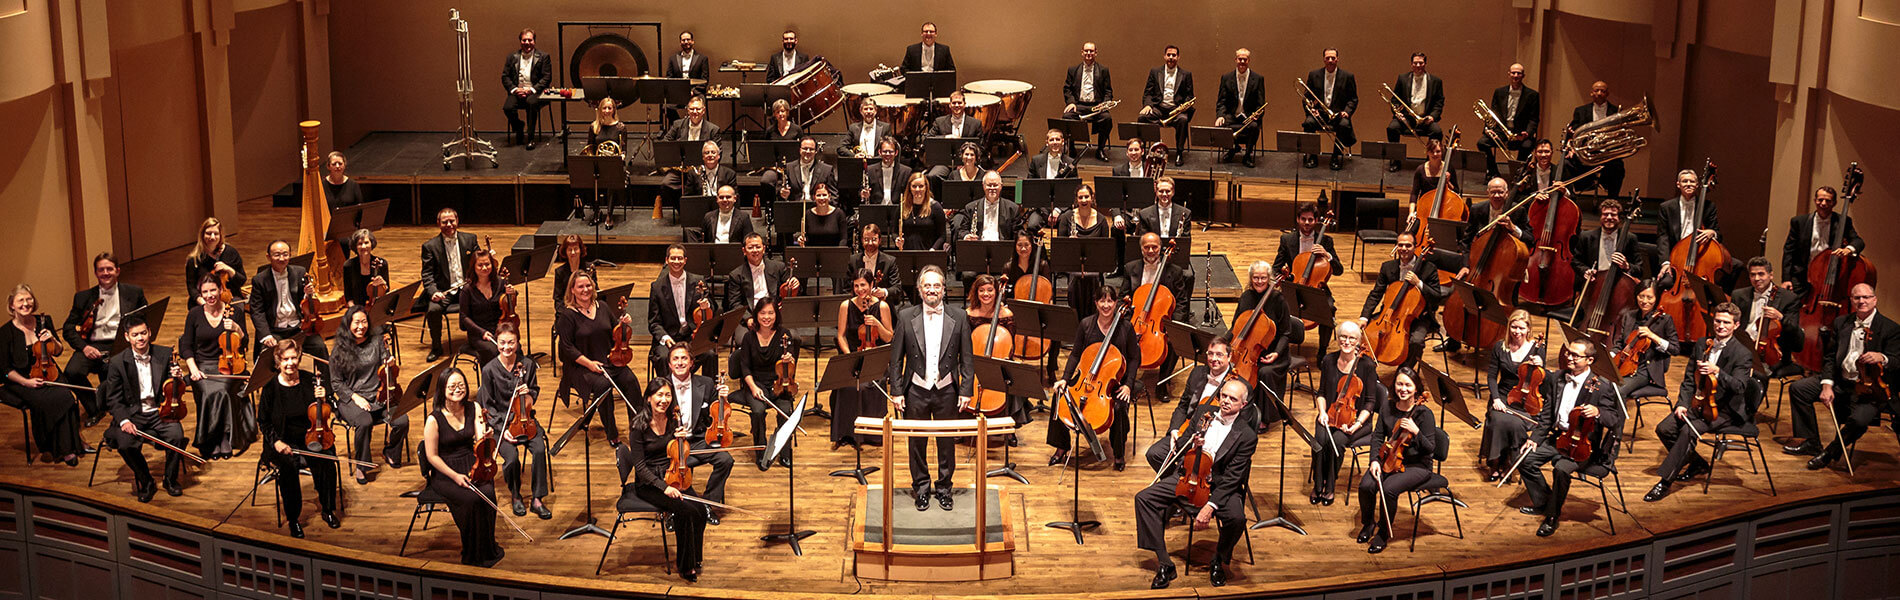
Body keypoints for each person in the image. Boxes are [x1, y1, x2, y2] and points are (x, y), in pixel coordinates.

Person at [1135, 379, 1255, 589]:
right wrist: (1192, 443)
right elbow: (1180, 445)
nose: (1225, 401)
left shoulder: (1247, 435)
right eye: (1223, 396)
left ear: (1243, 404)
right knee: (1144, 499)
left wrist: (1210, 506)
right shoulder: (1203, 413)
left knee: (1237, 519)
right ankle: (1165, 563)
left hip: (1220, 485)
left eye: (1232, 399)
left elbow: (1233, 477)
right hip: (1190, 475)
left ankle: (1218, 560)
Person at [885, 266, 975, 510]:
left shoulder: (960, 316)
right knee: (917, 443)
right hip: (916, 390)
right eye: (927, 285)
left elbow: (967, 358)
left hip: (947, 390)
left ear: (944, 289)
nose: (932, 290)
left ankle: (945, 489)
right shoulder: (905, 316)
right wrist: (897, 391)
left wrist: (966, 390)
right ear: (919, 289)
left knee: (946, 443)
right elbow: (896, 359)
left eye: (936, 285)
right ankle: (921, 488)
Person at [1646, 303, 1752, 502]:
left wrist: (1718, 371)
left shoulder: (1742, 353)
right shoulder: (1703, 343)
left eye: (1726, 322)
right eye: (1718, 321)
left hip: (1723, 409)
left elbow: (1739, 387)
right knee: (1665, 429)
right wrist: (1682, 403)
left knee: (1688, 431)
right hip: (1698, 402)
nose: (1721, 326)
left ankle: (1664, 483)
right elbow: (1689, 378)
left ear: (1736, 325)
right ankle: (1697, 464)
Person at [1515, 339, 1621, 537]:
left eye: (1575, 355)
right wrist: (1535, 438)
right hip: (1558, 438)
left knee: (1561, 469)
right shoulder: (1558, 377)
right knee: (1524, 459)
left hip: (1583, 446)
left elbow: (1614, 419)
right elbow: (1547, 414)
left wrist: (1598, 411)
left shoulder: (1602, 386)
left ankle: (1552, 516)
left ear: (1589, 360)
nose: (1569, 358)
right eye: (1568, 353)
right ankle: (1545, 503)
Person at [1787, 284, 1897, 467]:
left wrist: (1882, 357)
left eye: (1866, 297)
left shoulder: (1890, 328)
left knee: (1859, 421)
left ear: (1874, 300)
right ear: (1851, 300)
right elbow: (1830, 357)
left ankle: (1830, 452)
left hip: (1870, 390)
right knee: (1799, 389)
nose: (1861, 301)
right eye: (1857, 298)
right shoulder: (1841, 322)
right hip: (1841, 380)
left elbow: (1897, 361)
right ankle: (1811, 442)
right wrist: (1827, 385)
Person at [613, 383, 707, 580]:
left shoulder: (672, 420)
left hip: (672, 475)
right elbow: (640, 468)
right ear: (649, 398)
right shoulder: (638, 426)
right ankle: (685, 566)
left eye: (668, 395)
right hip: (649, 483)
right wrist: (664, 488)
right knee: (685, 511)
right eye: (659, 395)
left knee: (700, 510)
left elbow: (676, 452)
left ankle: (695, 557)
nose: (664, 400)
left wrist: (682, 439)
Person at [1049, 284, 1140, 470]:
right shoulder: (1086, 324)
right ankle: (1061, 447)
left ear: (1116, 303)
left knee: (1119, 407)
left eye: (1110, 301)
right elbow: (1075, 354)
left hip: (1115, 380)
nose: (1106, 305)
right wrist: (1065, 378)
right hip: (1087, 377)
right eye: (1102, 301)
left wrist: (1128, 385)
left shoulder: (1125, 327)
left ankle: (1118, 453)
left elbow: (1134, 358)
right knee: (1060, 395)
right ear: (1096, 303)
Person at [422, 367, 504, 567]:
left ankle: (487, 548)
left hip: (472, 462)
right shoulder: (433, 420)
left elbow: (480, 439)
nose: (457, 389)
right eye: (452, 386)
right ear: (442, 389)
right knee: (471, 499)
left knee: (488, 493)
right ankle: (473, 551)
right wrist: (455, 476)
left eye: (461, 385)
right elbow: (432, 456)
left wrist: (487, 438)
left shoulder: (474, 407)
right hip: (445, 471)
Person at [257, 340, 339, 537]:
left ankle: (328, 509)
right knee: (288, 467)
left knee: (327, 459)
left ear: (299, 358)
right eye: (285, 359)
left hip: (310, 435)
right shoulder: (270, 388)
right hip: (282, 440)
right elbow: (263, 421)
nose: (290, 363)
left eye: (294, 358)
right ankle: (293, 518)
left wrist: (324, 398)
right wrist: (276, 442)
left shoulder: (311, 380)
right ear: (278, 361)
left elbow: (326, 410)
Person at [100, 316, 188, 501]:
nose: (140, 338)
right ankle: (146, 480)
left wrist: (178, 377)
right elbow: (113, 399)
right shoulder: (117, 362)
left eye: (143, 333)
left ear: (149, 332)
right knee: (125, 445)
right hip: (133, 414)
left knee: (177, 437)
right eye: (135, 335)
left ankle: (170, 479)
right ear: (127, 337)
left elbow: (174, 387)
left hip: (160, 412)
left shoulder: (164, 354)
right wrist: (124, 420)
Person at [555, 270, 642, 446]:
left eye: (588, 285)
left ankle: (638, 430)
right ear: (572, 290)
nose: (585, 289)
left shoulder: (602, 306)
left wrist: (623, 325)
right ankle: (612, 433)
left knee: (631, 381)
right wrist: (589, 364)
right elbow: (567, 348)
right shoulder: (567, 315)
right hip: (581, 367)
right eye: (580, 286)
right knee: (603, 386)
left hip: (610, 360)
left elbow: (615, 332)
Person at [1358, 367, 1440, 553]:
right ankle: (1368, 524)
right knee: (1366, 485)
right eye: (1399, 384)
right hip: (1390, 458)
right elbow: (1378, 437)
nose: (1403, 389)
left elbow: (1430, 448)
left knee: (1389, 489)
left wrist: (1416, 431)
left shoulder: (1424, 414)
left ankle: (1383, 533)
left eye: (1408, 385)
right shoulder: (1387, 407)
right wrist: (1374, 461)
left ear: (1416, 388)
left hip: (1417, 465)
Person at [61, 252, 149, 425]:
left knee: (114, 371)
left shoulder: (134, 292)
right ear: (95, 273)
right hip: (91, 344)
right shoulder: (83, 297)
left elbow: (145, 319)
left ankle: (121, 407)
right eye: (101, 270)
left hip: (120, 344)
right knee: (72, 372)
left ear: (118, 271)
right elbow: (68, 328)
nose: (105, 273)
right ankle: (94, 408)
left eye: (109, 269)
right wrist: (84, 347)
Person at [650, 343, 735, 523]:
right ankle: (672, 509)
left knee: (725, 460)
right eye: (675, 359)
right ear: (669, 364)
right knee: (665, 469)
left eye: (684, 358)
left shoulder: (706, 383)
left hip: (697, 440)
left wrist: (723, 398)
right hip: (671, 445)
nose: (680, 363)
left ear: (691, 363)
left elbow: (717, 415)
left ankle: (707, 504)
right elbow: (650, 417)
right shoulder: (660, 387)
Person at [2, 285, 83, 465]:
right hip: (20, 380)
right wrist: (26, 382)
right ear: (12, 305)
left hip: (48, 370)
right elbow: (5, 370)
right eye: (20, 300)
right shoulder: (5, 333)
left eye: (29, 299)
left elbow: (59, 351)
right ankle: (58, 448)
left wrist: (52, 339)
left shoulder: (44, 321)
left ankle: (70, 445)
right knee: (57, 399)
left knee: (66, 395)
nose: (26, 303)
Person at [478, 323, 550, 519]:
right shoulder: (489, 370)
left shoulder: (527, 365)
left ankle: (537, 499)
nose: (506, 347)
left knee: (539, 450)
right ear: (497, 342)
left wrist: (529, 393)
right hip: (500, 424)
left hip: (525, 419)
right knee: (511, 459)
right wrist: (504, 429)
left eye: (511, 342)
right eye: (502, 342)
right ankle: (516, 495)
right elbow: (488, 407)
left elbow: (534, 391)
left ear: (517, 343)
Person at [328, 307, 408, 483]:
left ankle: (391, 452)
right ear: (348, 324)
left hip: (379, 395)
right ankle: (362, 464)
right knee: (364, 422)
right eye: (356, 322)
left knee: (402, 420)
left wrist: (390, 364)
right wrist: (355, 397)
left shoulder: (377, 341)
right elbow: (336, 383)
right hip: (352, 398)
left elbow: (387, 367)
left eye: (364, 322)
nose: (361, 326)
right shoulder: (339, 351)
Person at [179, 276, 253, 460]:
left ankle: (225, 437)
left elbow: (244, 342)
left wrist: (237, 328)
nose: (210, 295)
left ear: (221, 290)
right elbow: (186, 345)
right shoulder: (194, 314)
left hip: (230, 364)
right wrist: (193, 369)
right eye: (205, 292)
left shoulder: (234, 311)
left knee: (224, 390)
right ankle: (211, 439)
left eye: (213, 290)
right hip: (202, 365)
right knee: (207, 392)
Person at [1309, 321, 1381, 504]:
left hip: (1356, 419)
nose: (1347, 341)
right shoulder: (1329, 360)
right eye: (1343, 337)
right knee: (1319, 441)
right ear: (1338, 337)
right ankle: (1318, 485)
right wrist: (1322, 412)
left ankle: (1330, 487)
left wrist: (1357, 424)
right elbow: (1321, 393)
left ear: (1358, 341)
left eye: (1352, 338)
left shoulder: (1367, 366)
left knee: (1337, 442)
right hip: (1330, 415)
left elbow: (1370, 402)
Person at [1358, 232, 1448, 369]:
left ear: (1415, 247)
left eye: (1408, 245)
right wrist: (1364, 317)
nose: (1404, 249)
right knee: (1368, 334)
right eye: (1400, 245)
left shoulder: (1429, 269)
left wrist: (1419, 283)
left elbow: (1436, 297)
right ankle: (1370, 371)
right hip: (1389, 315)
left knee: (1416, 341)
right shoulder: (1388, 267)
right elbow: (1376, 294)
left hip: (1419, 317)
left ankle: (1404, 373)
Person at [730, 297, 800, 469]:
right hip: (755, 383)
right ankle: (761, 452)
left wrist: (789, 359)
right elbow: (745, 367)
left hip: (779, 383)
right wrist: (753, 387)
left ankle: (784, 452)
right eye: (762, 313)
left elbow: (791, 364)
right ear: (756, 315)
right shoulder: (748, 337)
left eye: (770, 313)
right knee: (758, 411)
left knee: (785, 411)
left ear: (776, 315)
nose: (766, 317)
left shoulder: (784, 335)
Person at [249, 240, 331, 379]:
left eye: (285, 254)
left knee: (320, 347)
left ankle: (325, 386)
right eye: (277, 255)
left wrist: (308, 295)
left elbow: (305, 303)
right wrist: (266, 335)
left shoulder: (299, 272)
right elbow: (257, 311)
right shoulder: (260, 280)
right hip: (275, 331)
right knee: (267, 356)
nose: (282, 258)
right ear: (268, 257)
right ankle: (275, 388)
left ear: (290, 255)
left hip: (298, 328)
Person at [833, 270, 894, 446]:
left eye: (863, 285)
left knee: (869, 386)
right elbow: (841, 336)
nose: (860, 289)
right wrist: (849, 356)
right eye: (856, 286)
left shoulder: (882, 307)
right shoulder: (846, 306)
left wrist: (877, 324)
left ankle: (871, 434)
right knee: (846, 385)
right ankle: (847, 434)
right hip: (854, 356)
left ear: (871, 285)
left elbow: (889, 337)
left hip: (875, 358)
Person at [1231, 260, 1298, 422]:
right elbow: (1235, 327)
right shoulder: (1246, 297)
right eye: (1256, 278)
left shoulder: (1278, 299)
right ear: (1251, 278)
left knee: (1264, 373)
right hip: (1247, 351)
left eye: (1263, 278)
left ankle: (1264, 417)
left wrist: (1277, 353)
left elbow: (1286, 333)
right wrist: (1222, 344)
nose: (1259, 281)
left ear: (1269, 278)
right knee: (1228, 367)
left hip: (1273, 352)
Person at [1481, 310, 1542, 481]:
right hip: (1502, 395)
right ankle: (1495, 462)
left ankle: (1509, 461)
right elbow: (1492, 376)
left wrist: (1541, 365)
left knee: (1515, 423)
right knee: (1498, 419)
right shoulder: (1500, 347)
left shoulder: (1537, 349)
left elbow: (1542, 380)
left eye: (1521, 328)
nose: (1517, 331)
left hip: (1526, 401)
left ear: (1528, 329)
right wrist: (1496, 399)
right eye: (1514, 327)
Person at [1273, 203, 1343, 345]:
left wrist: (1327, 255)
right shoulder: (1287, 240)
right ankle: (1280, 347)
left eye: (1310, 219)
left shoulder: (1326, 241)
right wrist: (1280, 278)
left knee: (1329, 309)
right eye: (1303, 219)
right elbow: (1276, 268)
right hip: (1293, 287)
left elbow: (1339, 270)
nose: (1306, 223)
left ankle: (1322, 352)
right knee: (1275, 306)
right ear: (1298, 219)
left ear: (1316, 220)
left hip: (1316, 289)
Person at [1781, 185, 1864, 299]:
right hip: (1801, 277)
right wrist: (1786, 279)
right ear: (1815, 201)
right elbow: (1789, 252)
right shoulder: (1799, 222)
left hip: (1828, 279)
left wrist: (1848, 249)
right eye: (1820, 200)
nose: (1823, 204)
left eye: (1828, 201)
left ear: (1834, 203)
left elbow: (1858, 241)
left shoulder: (1843, 221)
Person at [647, 244, 717, 377]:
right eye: (673, 258)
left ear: (685, 260)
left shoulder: (699, 281)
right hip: (669, 336)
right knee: (663, 357)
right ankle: (668, 389)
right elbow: (654, 322)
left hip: (692, 336)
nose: (676, 262)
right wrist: (665, 338)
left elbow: (714, 308)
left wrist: (707, 306)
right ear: (667, 260)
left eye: (680, 258)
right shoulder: (657, 287)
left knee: (710, 354)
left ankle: (709, 388)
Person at [964, 275, 1023, 428]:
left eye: (990, 290)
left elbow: (1010, 345)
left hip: (999, 361)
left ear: (997, 292)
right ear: (976, 292)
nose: (986, 294)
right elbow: (965, 345)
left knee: (1012, 378)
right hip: (975, 361)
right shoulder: (969, 314)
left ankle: (1007, 427)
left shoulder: (1006, 315)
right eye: (981, 290)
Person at [422, 208, 478, 362]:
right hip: (444, 291)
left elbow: (478, 262)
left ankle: (476, 342)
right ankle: (436, 347)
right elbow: (427, 275)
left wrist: (488, 257)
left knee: (483, 301)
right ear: (438, 223)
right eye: (444, 222)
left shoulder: (470, 239)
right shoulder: (430, 246)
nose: (449, 224)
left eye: (451, 221)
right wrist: (433, 292)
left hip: (466, 288)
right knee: (433, 310)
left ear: (457, 221)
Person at [1731, 257, 1802, 377]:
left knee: (1752, 373)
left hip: (1772, 354)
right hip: (1743, 345)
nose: (1756, 278)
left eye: (1761, 274)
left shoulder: (1788, 298)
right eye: (1752, 275)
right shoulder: (1738, 295)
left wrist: (1780, 317)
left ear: (1771, 275)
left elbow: (1794, 330)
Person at [1611, 284, 1679, 400]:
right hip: (1623, 364)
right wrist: (1611, 356)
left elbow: (1675, 349)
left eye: (1649, 297)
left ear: (1656, 298)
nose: (1644, 301)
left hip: (1645, 371)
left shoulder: (1665, 320)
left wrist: (1653, 336)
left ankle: (1615, 413)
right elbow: (1620, 343)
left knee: (1617, 390)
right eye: (1641, 296)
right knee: (1600, 383)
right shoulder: (1629, 315)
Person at [1384, 52, 1446, 172]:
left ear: (1425, 63)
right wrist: (1397, 112)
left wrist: (1433, 116)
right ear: (1411, 64)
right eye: (1415, 63)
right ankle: (1395, 160)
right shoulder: (1403, 79)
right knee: (1392, 128)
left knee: (1437, 131)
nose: (1418, 65)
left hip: (1425, 119)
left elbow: (1439, 102)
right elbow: (1395, 99)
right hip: (1407, 118)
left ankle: (1429, 162)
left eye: (1421, 63)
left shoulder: (1435, 81)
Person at [1055, 184, 1112, 314]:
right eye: (1080, 197)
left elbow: (1105, 249)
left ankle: (1092, 316)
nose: (1084, 200)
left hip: (1094, 265)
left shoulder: (1101, 220)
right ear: (1076, 199)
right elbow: (1060, 247)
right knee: (1075, 280)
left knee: (1092, 278)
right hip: (1073, 264)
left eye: (1087, 196)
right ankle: (1075, 316)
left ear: (1092, 198)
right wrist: (1070, 244)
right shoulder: (1066, 217)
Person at [1300, 48, 1359, 170]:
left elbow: (1353, 99)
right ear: (1324, 59)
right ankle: (1312, 156)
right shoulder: (1314, 75)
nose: (1330, 60)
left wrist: (1347, 112)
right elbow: (1306, 98)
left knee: (1344, 125)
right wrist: (1311, 110)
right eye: (1328, 58)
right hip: (1319, 114)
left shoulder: (1347, 76)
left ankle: (1336, 156)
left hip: (1338, 115)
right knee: (1308, 123)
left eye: (1333, 58)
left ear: (1337, 59)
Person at [1478, 64, 1540, 179]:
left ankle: (1518, 175)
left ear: (1523, 76)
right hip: (1501, 132)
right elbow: (1492, 114)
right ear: (1509, 74)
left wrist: (1527, 133)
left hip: (1520, 133)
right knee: (1482, 143)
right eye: (1513, 73)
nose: (1515, 75)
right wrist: (1488, 129)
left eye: (1518, 73)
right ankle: (1493, 172)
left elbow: (1534, 119)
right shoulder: (1499, 92)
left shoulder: (1532, 95)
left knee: (1527, 146)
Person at [1563, 81, 1624, 195]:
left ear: (1607, 94)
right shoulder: (1580, 111)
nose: (1599, 93)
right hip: (1586, 154)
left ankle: (1612, 200)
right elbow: (1572, 131)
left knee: (1618, 167)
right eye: (1596, 90)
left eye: (1603, 91)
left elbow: (1620, 132)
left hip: (1607, 155)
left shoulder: (1616, 111)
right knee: (1565, 163)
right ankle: (1571, 198)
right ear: (1591, 93)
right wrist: (1570, 146)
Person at [1138, 45, 1195, 165]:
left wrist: (1182, 107)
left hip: (1176, 109)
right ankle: (1142, 151)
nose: (1171, 57)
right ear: (1164, 56)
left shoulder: (1186, 74)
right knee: (1142, 117)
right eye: (1168, 55)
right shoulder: (1155, 72)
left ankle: (1179, 153)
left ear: (1178, 57)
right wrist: (1148, 105)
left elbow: (1189, 96)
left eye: (1174, 55)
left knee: (1183, 120)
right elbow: (1148, 93)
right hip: (1158, 108)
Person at [1572, 198, 1644, 288]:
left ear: (1619, 218)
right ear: (1600, 217)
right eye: (1605, 214)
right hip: (1593, 285)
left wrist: (1627, 266)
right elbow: (1575, 261)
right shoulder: (1586, 237)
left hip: (1620, 286)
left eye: (1613, 215)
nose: (1609, 217)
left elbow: (1639, 269)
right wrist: (1585, 271)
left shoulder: (1630, 238)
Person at [1061, 42, 1115, 161]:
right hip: (1078, 105)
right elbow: (1067, 89)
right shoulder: (1073, 70)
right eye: (1086, 51)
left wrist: (1105, 104)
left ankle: (1100, 149)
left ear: (1096, 53)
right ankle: (1071, 148)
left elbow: (1108, 91)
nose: (1088, 53)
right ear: (1082, 52)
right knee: (1067, 117)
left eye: (1091, 51)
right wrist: (1071, 102)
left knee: (1107, 119)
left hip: (1096, 105)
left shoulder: (1103, 70)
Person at [1214, 48, 1267, 167]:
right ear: (1236, 60)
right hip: (1232, 115)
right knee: (1221, 124)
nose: (1242, 61)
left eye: (1245, 59)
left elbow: (1261, 103)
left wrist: (1257, 115)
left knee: (1254, 126)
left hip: (1249, 116)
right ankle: (1233, 148)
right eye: (1240, 59)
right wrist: (1220, 116)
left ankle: (1247, 155)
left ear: (1249, 61)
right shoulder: (1226, 78)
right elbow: (1221, 101)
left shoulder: (1258, 79)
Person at [501, 28, 552, 149]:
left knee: (531, 103)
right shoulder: (512, 57)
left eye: (530, 40)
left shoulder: (543, 57)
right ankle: (519, 127)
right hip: (517, 92)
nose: (527, 43)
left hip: (536, 93)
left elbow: (546, 78)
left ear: (534, 41)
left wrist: (531, 90)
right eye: (524, 40)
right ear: (520, 42)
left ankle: (530, 138)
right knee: (507, 108)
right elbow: (505, 76)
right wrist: (515, 90)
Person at [457, 249, 509, 365]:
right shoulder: (467, 290)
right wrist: (482, 332)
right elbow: (464, 317)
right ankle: (491, 376)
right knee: (494, 351)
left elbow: (508, 307)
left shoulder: (500, 283)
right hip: (478, 334)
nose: (484, 268)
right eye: (480, 265)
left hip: (499, 329)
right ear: (474, 267)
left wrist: (511, 294)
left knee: (515, 347)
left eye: (487, 264)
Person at [724, 233, 798, 310]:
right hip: (751, 314)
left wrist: (794, 286)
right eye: (750, 247)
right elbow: (735, 304)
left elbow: (791, 294)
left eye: (758, 247)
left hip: (775, 312)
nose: (755, 250)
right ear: (744, 251)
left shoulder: (778, 267)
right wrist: (749, 317)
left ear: (764, 249)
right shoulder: (736, 275)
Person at [183, 217, 244, 309]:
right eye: (208, 233)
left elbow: (242, 280)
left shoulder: (231, 253)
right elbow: (191, 287)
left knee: (238, 308)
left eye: (216, 234)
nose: (212, 237)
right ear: (202, 235)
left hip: (229, 297)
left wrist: (228, 269)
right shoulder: (194, 260)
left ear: (220, 235)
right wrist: (203, 303)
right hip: (204, 299)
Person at [956, 171, 1021, 243]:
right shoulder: (971, 208)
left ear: (1001, 186)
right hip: (978, 246)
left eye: (995, 185)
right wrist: (966, 236)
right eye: (989, 185)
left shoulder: (1012, 209)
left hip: (1002, 247)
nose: (992, 188)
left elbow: (1018, 234)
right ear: (983, 186)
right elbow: (962, 231)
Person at [769, 137, 836, 203]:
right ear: (800, 150)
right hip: (794, 207)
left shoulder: (827, 170)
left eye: (811, 149)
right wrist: (782, 194)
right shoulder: (788, 168)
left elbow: (833, 195)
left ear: (816, 151)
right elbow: (778, 191)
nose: (808, 151)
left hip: (817, 207)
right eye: (805, 148)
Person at [850, 224, 901, 303]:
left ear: (879, 240)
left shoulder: (890, 261)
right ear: (862, 240)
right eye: (866, 239)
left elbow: (897, 288)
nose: (870, 243)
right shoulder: (853, 260)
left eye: (874, 239)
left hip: (882, 305)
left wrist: (884, 292)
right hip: (858, 305)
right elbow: (846, 288)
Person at [341, 229, 390, 307]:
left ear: (372, 244)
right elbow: (348, 296)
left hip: (376, 307)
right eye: (360, 244)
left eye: (366, 243)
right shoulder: (348, 265)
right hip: (357, 307)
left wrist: (384, 284)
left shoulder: (382, 263)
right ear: (355, 246)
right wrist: (355, 310)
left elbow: (387, 291)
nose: (363, 246)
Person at [899, 177, 951, 251]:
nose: (917, 189)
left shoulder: (935, 207)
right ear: (909, 188)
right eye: (914, 186)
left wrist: (933, 250)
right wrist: (897, 240)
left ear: (926, 187)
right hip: (906, 253)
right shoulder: (902, 206)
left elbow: (942, 236)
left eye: (921, 186)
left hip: (929, 253)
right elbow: (894, 232)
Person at [862, 137, 912, 207]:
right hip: (877, 209)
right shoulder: (870, 170)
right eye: (885, 151)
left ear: (896, 153)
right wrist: (863, 194)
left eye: (891, 151)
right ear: (879, 152)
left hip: (897, 209)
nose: (888, 154)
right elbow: (861, 190)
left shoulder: (906, 172)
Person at [794, 183, 848, 247]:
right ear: (814, 197)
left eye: (824, 195)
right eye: (818, 195)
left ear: (829, 196)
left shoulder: (839, 214)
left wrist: (839, 251)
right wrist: (802, 239)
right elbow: (805, 237)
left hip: (834, 252)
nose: (822, 198)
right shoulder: (807, 214)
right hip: (812, 252)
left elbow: (843, 239)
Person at [663, 31, 711, 101]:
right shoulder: (673, 59)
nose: (686, 42)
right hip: (678, 93)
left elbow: (705, 80)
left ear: (693, 41)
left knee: (698, 105)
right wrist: (677, 91)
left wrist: (693, 92)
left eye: (688, 39)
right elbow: (669, 79)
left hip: (696, 93)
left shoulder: (702, 59)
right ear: (680, 42)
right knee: (666, 106)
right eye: (683, 40)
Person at [1409, 138, 1459, 203]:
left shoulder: (1449, 168)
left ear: (1442, 152)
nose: (1435, 154)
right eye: (1432, 151)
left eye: (1438, 151)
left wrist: (1448, 182)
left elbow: (1456, 192)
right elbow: (1414, 193)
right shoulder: (1420, 169)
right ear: (1427, 152)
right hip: (1425, 204)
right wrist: (1411, 209)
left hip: (1444, 204)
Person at [549, 234, 587, 305]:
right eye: (570, 250)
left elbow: (595, 293)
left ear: (580, 250)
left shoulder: (589, 269)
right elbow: (558, 299)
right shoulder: (559, 272)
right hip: (568, 307)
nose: (573, 252)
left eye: (575, 249)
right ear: (565, 252)